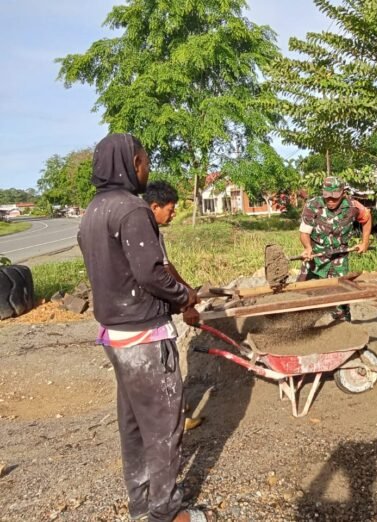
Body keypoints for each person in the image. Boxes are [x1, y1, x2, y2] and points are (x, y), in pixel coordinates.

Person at [78, 134, 213, 522]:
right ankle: (165, 512)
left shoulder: (93, 212)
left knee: (134, 423)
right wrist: (184, 297)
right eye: (145, 162)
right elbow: (152, 274)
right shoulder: (132, 209)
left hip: (116, 336)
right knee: (164, 425)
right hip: (144, 336)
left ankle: (140, 504)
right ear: (131, 162)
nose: (147, 169)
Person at [299, 176, 372, 320]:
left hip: (340, 256)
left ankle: (342, 319)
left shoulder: (353, 206)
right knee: (301, 289)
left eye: (335, 197)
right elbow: (304, 232)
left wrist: (365, 242)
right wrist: (307, 248)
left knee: (342, 293)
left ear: (343, 193)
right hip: (316, 255)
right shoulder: (313, 205)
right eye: (327, 197)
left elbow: (367, 218)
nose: (330, 201)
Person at [143, 181, 190, 289]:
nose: (173, 214)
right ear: (155, 207)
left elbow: (167, 265)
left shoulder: (155, 231)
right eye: (170, 210)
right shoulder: (149, 231)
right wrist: (184, 292)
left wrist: (187, 288)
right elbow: (165, 269)